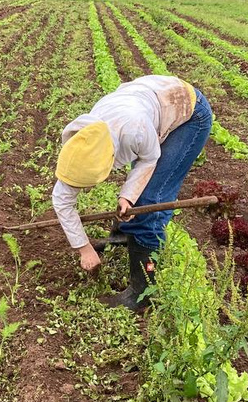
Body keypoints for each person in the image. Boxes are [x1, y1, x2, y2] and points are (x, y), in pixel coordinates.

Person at [52, 75, 213, 310]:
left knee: (148, 199)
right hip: (147, 102)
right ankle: (122, 236)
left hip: (188, 113)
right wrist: (83, 248)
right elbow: (62, 199)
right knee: (136, 196)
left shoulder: (134, 131)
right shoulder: (84, 138)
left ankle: (142, 294)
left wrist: (128, 196)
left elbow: (149, 159)